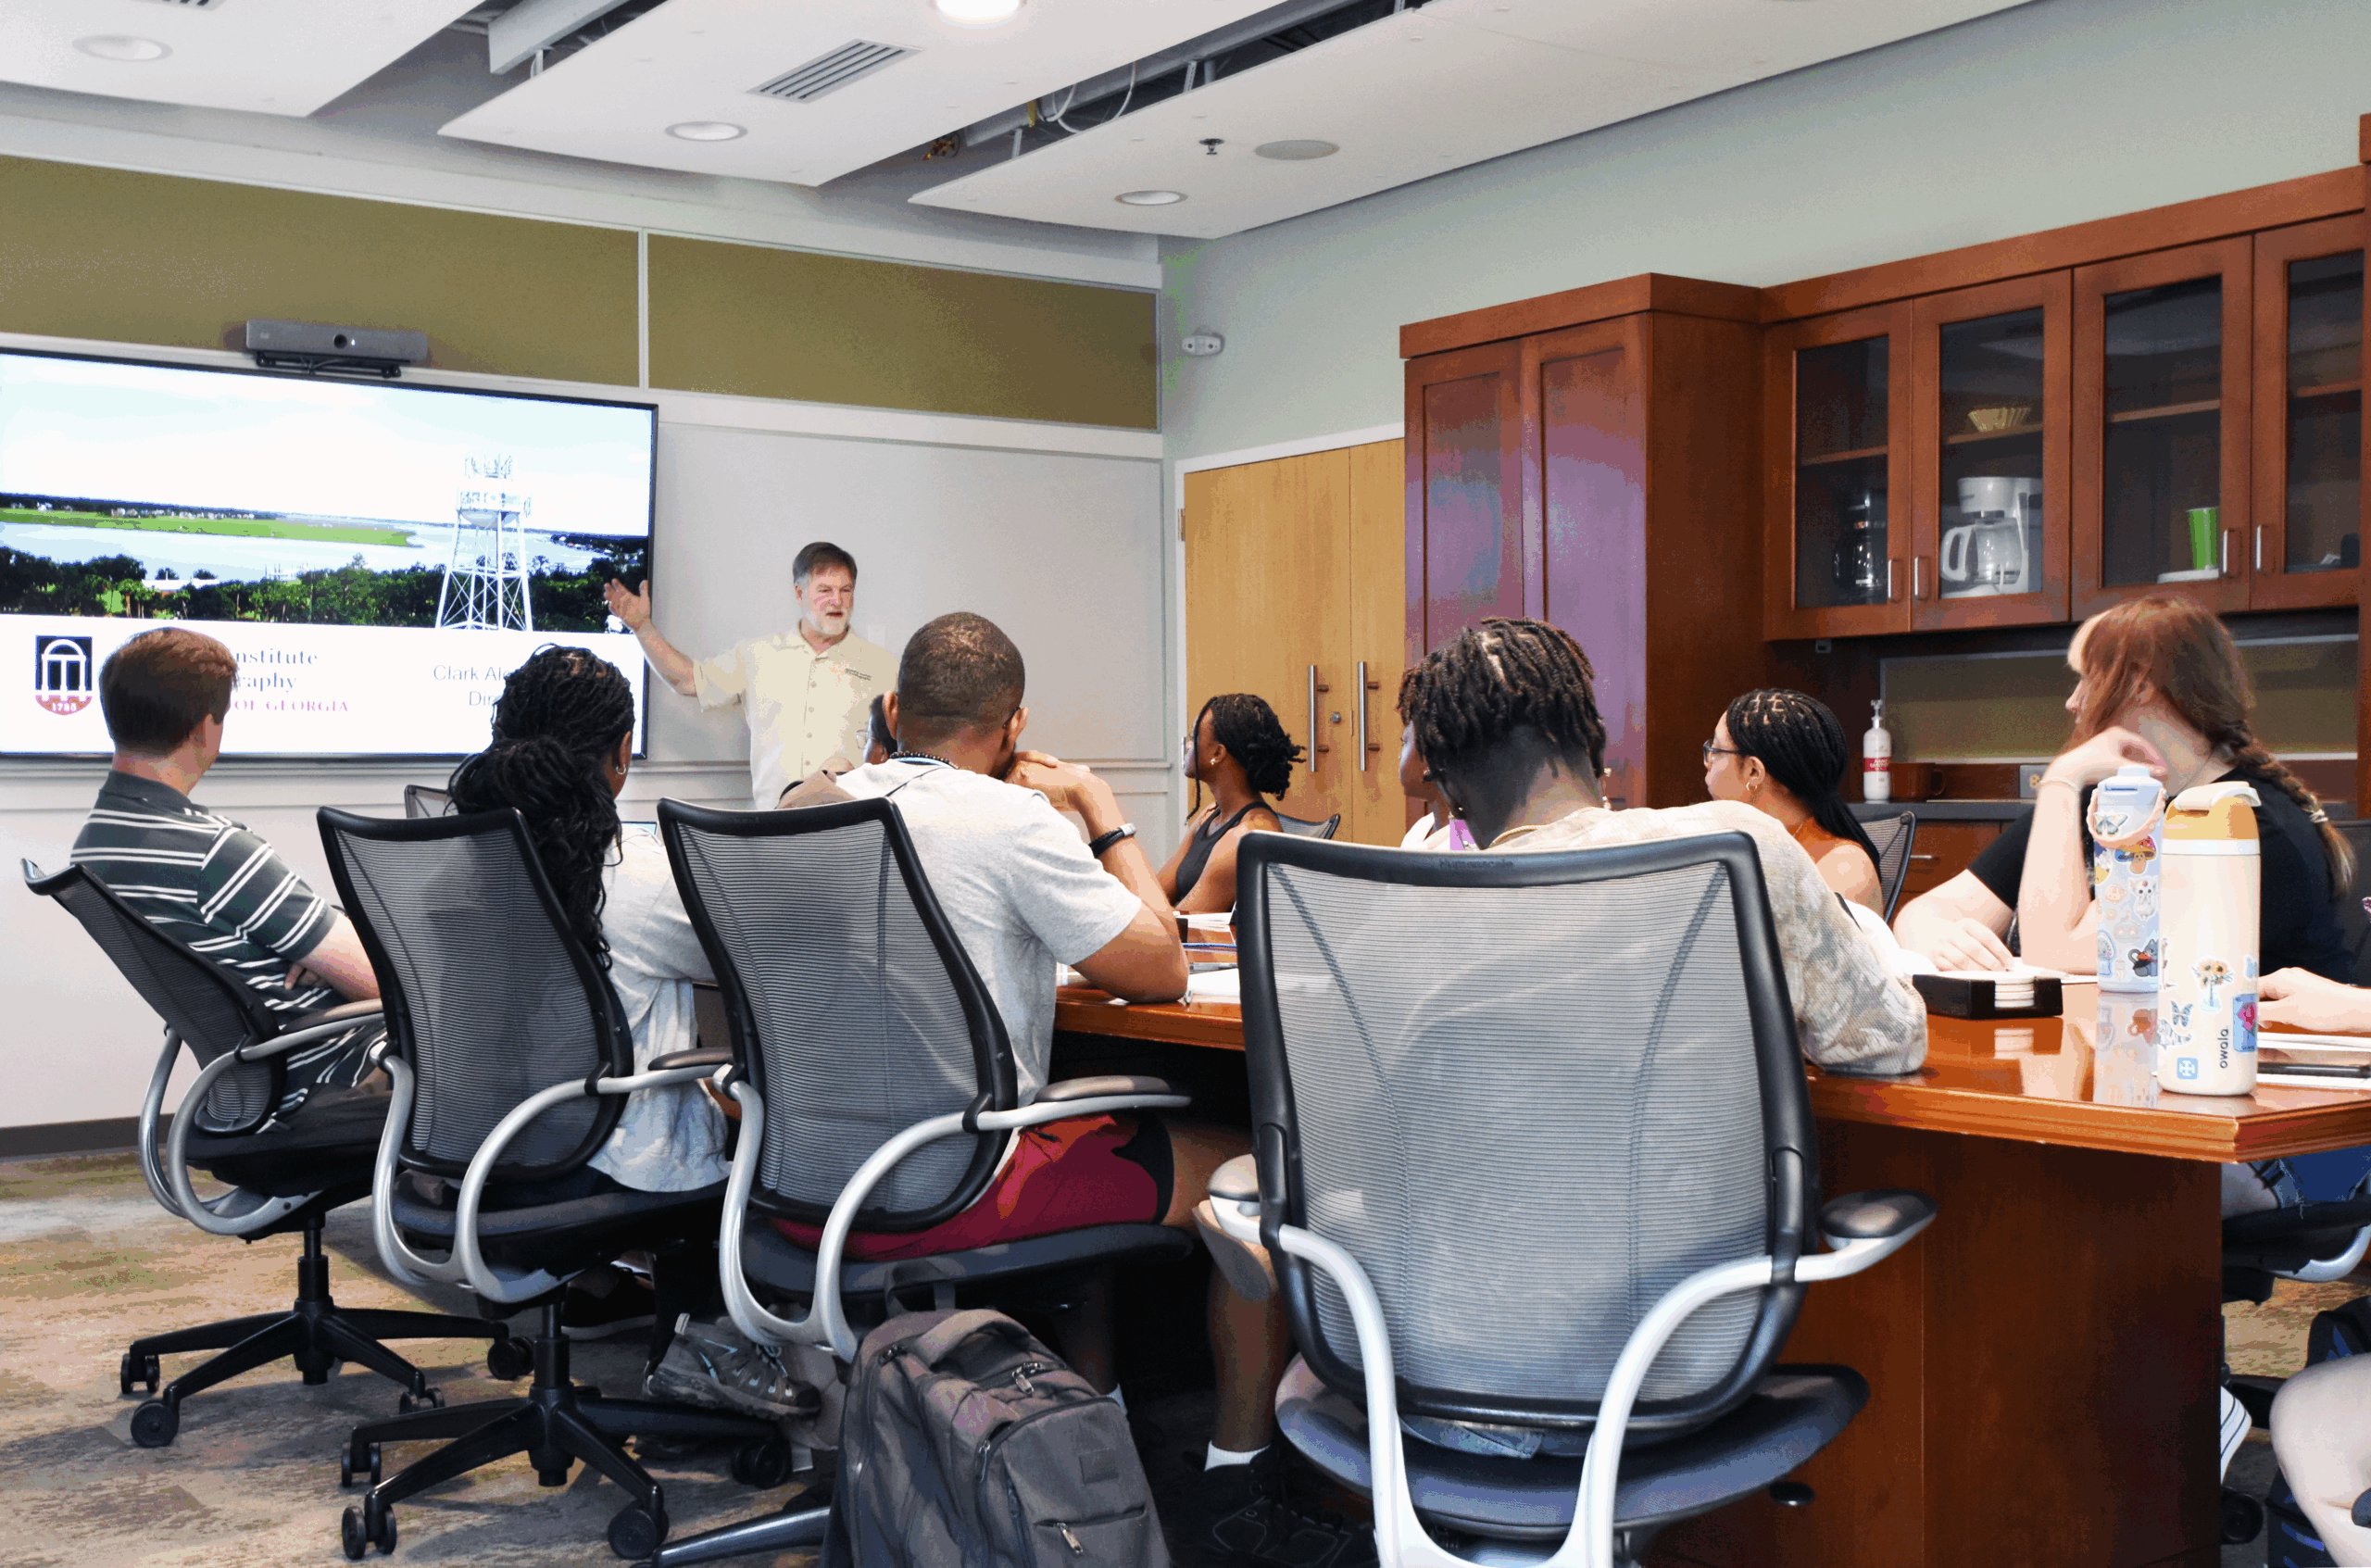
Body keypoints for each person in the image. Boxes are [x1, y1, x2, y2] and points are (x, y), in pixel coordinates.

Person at [778, 614, 1354, 1567]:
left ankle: (1101, 1425)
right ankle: (1236, 1484)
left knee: (1092, 1116)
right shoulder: (1012, 821)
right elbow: (1163, 964)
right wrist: (1098, 806)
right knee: (1259, 1165)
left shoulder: (809, 805)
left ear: (895, 710)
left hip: (803, 1184)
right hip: (949, 1183)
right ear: (1014, 726)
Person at [1399, 618, 1926, 1076]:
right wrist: (1871, 942)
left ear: (1445, 783)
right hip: (1703, 1169)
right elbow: (1888, 1043)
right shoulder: (1739, 846)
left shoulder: (1407, 903)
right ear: (1594, 735)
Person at [444, 646, 734, 1342]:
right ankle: (702, 1351)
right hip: (597, 1169)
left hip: (474, 1161)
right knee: (749, 1125)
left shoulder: (456, 862)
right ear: (621, 753)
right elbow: (758, 962)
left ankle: (596, 1288)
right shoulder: (639, 877)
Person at [1892, 596, 2352, 978]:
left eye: (2086, 680)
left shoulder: (2239, 823)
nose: (2072, 702)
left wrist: (2059, 779)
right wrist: (1940, 939)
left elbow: (2056, 954)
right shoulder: (2091, 798)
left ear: (2138, 683)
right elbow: (1922, 913)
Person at [70, 628, 382, 1131]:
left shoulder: (93, 846)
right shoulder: (216, 854)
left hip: (241, 1090)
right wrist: (329, 961)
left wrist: (321, 956)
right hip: (335, 1074)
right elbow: (387, 980)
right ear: (204, 730)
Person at [604, 540, 896, 809]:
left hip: (852, 830)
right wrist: (642, 628)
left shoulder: (883, 667)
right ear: (799, 593)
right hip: (772, 828)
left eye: (846, 590)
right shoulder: (757, 655)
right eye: (825, 590)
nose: (838, 601)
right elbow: (688, 680)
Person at [1704, 689, 1885, 909]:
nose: (1708, 761)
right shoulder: (1749, 843)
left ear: (1753, 772)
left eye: (1716, 750)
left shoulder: (1843, 868)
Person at [1157, 694, 1301, 912]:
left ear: (1217, 753)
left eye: (1194, 736)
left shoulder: (1245, 836)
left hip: (1190, 933)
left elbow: (1180, 924)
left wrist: (1117, 835)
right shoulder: (1211, 814)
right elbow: (1157, 891)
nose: (1187, 745)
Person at [772, 692, 896, 807]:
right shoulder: (900, 798)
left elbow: (787, 807)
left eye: (867, 739)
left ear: (882, 752)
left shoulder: (828, 790)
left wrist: (833, 775)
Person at [1398, 721, 1475, 850]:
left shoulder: (1466, 839)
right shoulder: (1421, 828)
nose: (1399, 756)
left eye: (1404, 743)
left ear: (1432, 759)